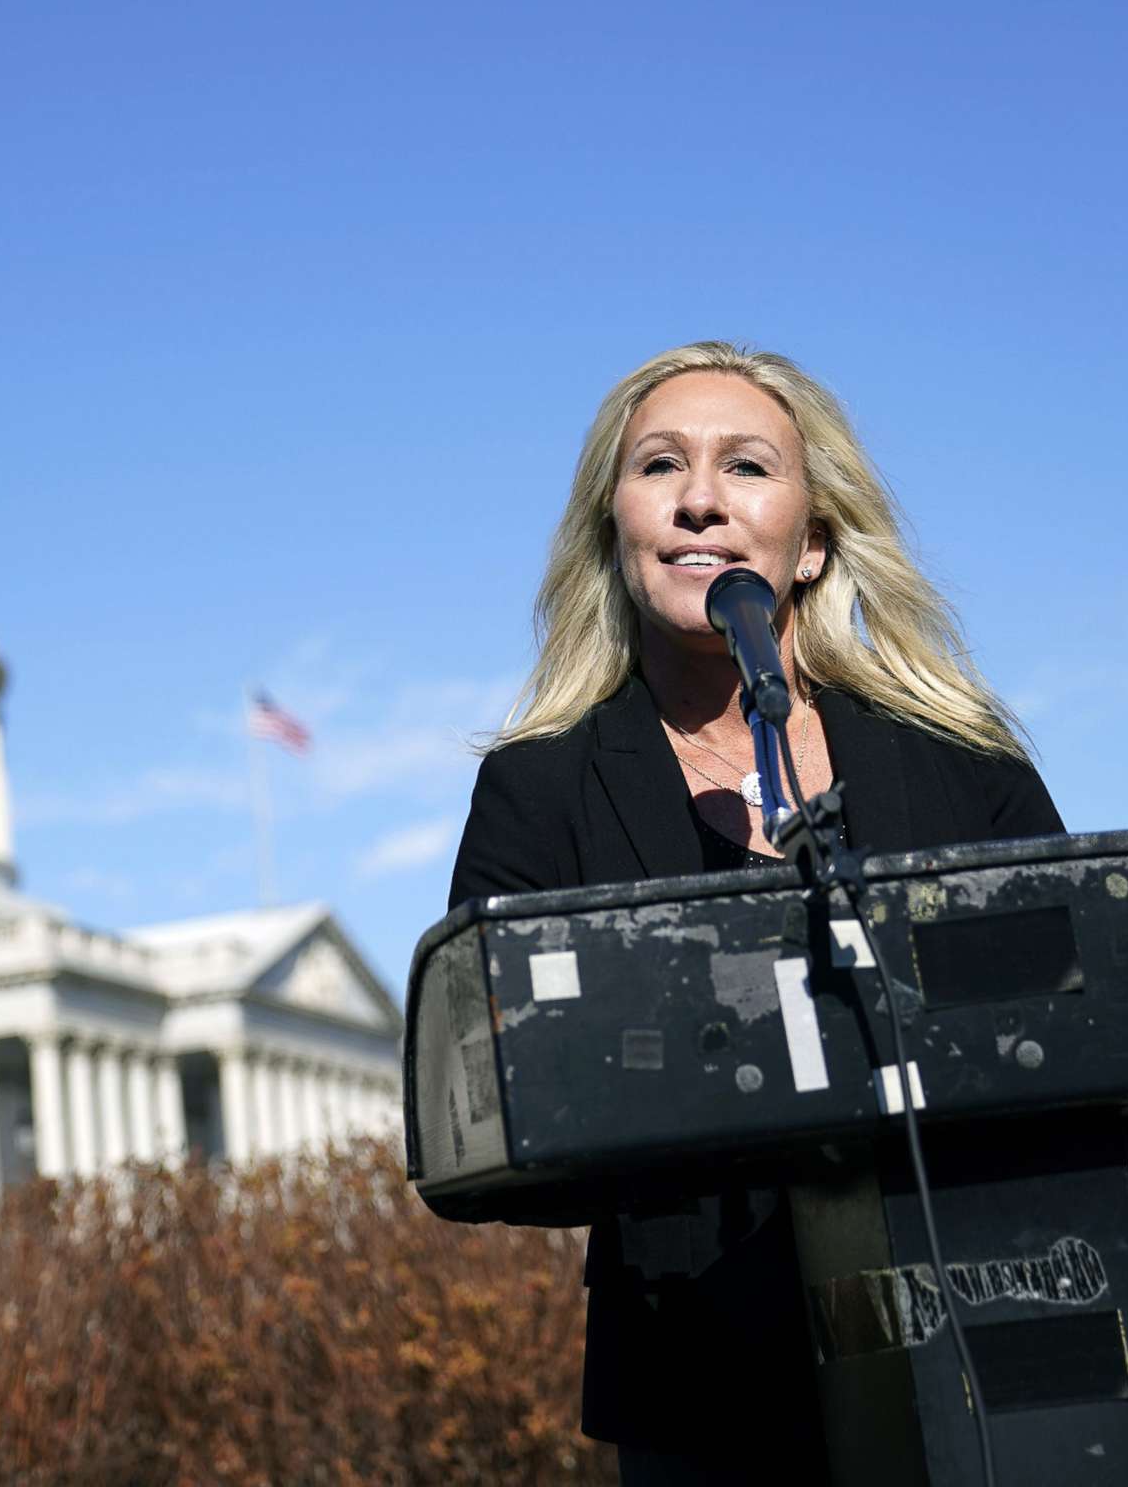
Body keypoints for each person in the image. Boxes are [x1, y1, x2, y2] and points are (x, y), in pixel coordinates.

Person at [446, 341, 1064, 1483]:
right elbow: (488, 1100)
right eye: (661, 466)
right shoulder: (539, 789)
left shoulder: (960, 762)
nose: (699, 501)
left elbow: (1070, 1013)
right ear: (615, 531)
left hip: (993, 1343)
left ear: (815, 539)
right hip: (704, 1383)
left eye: (746, 468)